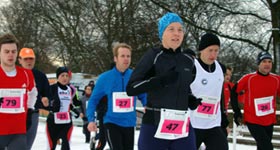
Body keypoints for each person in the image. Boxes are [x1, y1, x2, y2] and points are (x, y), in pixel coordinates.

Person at [126, 12, 200, 150]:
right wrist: (160, 81)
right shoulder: (153, 56)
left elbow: (184, 87)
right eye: (171, 29)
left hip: (181, 126)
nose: (176, 33)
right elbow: (131, 88)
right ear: (162, 33)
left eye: (180, 30)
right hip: (155, 125)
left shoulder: (188, 60)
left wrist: (190, 99)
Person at [87, 43, 147, 150]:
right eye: (122, 56)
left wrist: (146, 104)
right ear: (115, 58)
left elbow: (143, 94)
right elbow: (93, 100)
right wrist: (91, 120)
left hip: (129, 123)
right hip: (111, 122)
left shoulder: (135, 76)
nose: (126, 59)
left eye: (128, 56)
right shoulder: (105, 78)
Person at [231, 51, 280, 150]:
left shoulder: (276, 79)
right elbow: (233, 92)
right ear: (258, 64)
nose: (267, 64)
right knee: (267, 147)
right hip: (253, 120)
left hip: (269, 120)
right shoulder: (249, 78)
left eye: (269, 61)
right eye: (264, 61)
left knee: (262, 147)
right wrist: (236, 111)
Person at [189, 32, 229, 150]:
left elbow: (219, 95)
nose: (213, 54)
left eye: (216, 50)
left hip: (213, 124)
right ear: (201, 50)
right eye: (210, 50)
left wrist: (223, 118)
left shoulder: (221, 68)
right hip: (193, 124)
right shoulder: (192, 66)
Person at [0, 33, 37, 150]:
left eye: (13, 51)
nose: (10, 55)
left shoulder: (26, 74)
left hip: (18, 131)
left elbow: (33, 93)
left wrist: (30, 110)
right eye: (6, 52)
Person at [18, 47, 50, 150]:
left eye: (31, 59)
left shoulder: (40, 76)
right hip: (15, 114)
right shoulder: (13, 73)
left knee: (27, 144)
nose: (28, 61)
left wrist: (45, 100)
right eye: (26, 59)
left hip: (32, 113)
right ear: (19, 60)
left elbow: (47, 94)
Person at [46, 66, 81, 150]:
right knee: (51, 146)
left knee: (66, 145)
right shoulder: (52, 88)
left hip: (66, 122)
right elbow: (43, 102)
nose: (65, 78)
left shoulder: (71, 89)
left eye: (66, 76)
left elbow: (69, 104)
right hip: (53, 122)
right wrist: (50, 107)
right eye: (62, 75)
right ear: (58, 77)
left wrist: (75, 111)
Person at [222, 66, 234, 137]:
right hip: (211, 117)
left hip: (224, 117)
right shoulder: (215, 84)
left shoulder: (230, 86)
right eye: (226, 74)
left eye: (230, 75)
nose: (228, 77)